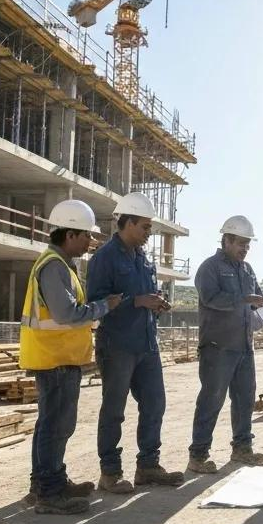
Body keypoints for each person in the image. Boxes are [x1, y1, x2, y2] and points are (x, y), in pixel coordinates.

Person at [19, 199, 120, 515]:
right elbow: (66, 313)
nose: (91, 242)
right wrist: (105, 306)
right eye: (87, 236)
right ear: (70, 234)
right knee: (56, 426)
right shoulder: (53, 267)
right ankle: (50, 492)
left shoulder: (59, 264)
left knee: (50, 425)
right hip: (56, 359)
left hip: (56, 357)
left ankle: (47, 482)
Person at [87, 192, 184, 493]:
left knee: (155, 403)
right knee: (114, 408)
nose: (148, 233)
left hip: (145, 343)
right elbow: (96, 302)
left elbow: (145, 295)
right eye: (144, 227)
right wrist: (137, 301)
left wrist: (155, 303)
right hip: (117, 345)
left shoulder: (142, 259)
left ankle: (148, 466)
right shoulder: (104, 258)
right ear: (126, 223)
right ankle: (110, 472)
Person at [188, 215, 263, 474]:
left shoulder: (247, 270)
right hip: (218, 346)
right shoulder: (209, 268)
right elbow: (211, 298)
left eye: (247, 244)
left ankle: (242, 448)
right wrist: (244, 298)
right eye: (240, 243)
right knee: (212, 399)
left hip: (244, 346)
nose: (244, 249)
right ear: (226, 240)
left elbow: (254, 299)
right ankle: (198, 455)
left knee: (245, 399)